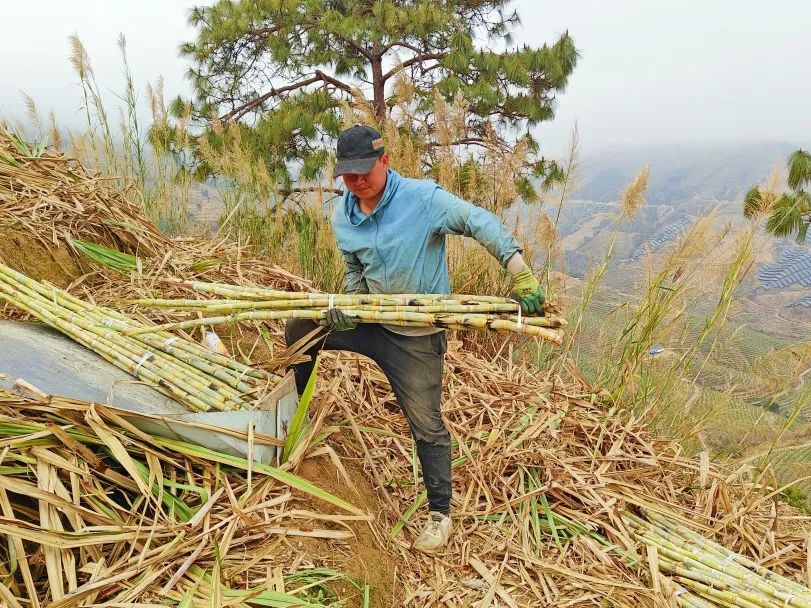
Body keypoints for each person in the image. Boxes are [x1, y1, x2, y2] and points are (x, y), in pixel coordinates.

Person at [284, 124, 544, 554]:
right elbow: (355, 269)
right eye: (349, 175)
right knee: (300, 328)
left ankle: (440, 515)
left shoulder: (423, 199)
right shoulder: (342, 215)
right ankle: (298, 410)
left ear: (385, 161)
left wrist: (520, 273)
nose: (357, 181)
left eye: (365, 171)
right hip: (373, 322)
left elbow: (479, 222)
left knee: (426, 425)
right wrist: (349, 308)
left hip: (416, 335)